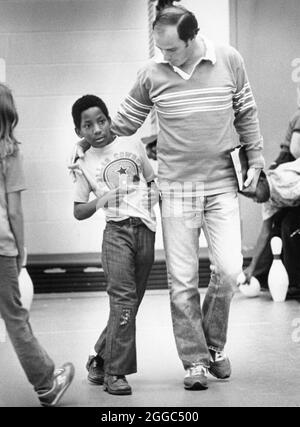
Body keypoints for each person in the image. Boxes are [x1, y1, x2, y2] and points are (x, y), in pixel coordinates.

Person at [71, 0, 265, 390]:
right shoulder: (152, 73)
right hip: (176, 187)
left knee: (228, 272)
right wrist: (83, 143)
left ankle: (213, 344)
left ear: (193, 37)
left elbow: (246, 113)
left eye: (172, 49)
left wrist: (257, 160)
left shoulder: (229, 60)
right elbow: (121, 124)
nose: (166, 57)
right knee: (182, 280)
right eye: (160, 49)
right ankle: (194, 361)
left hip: (222, 182)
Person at [71, 95, 158, 395]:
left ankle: (99, 356)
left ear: (109, 120)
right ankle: (115, 373)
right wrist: (102, 200)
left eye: (101, 121)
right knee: (123, 301)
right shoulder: (82, 163)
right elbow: (78, 210)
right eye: (87, 125)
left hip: (145, 231)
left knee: (131, 304)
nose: (96, 129)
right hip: (116, 234)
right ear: (79, 131)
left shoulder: (132, 144)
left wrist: (153, 205)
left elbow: (150, 179)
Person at [0, 82, 74, 407]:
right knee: (16, 318)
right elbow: (13, 210)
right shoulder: (9, 152)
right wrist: (21, 251)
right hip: (1, 247)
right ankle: (47, 384)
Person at [244, 108, 300, 297]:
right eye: (249, 197)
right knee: (281, 227)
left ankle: (296, 284)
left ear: (261, 180)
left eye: (253, 193)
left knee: (290, 227)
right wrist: (251, 268)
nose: (254, 199)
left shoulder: (287, 180)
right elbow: (264, 233)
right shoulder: (269, 200)